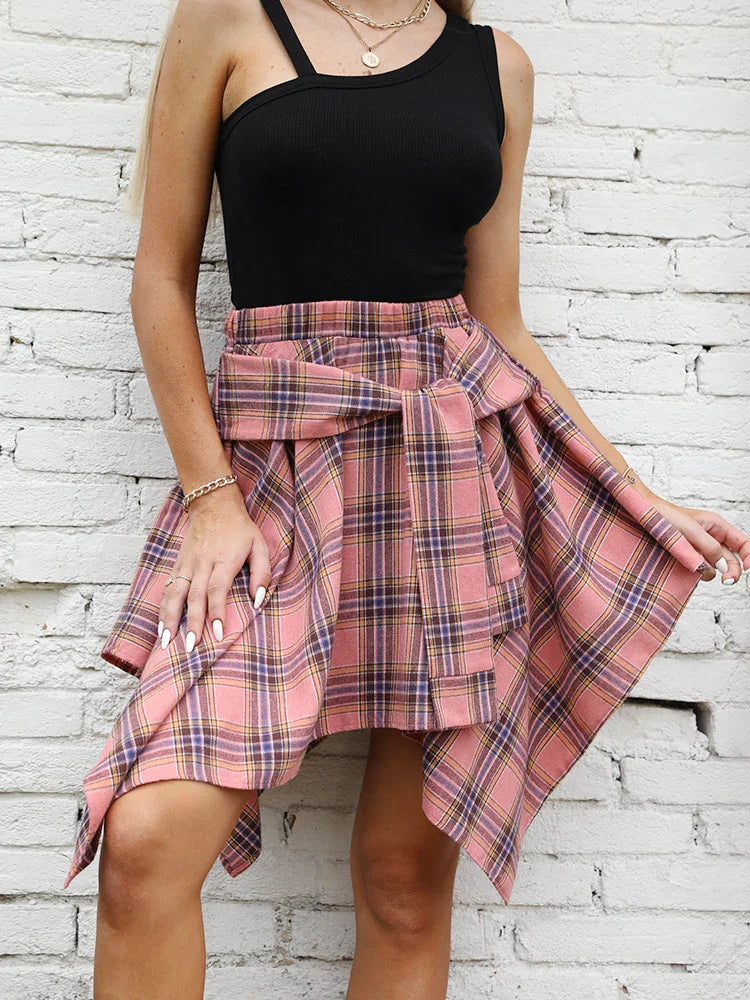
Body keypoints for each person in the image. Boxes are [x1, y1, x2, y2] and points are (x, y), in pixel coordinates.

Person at [61, 1, 749, 997]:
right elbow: (159, 281)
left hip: (449, 480)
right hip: (274, 478)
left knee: (402, 880)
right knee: (147, 842)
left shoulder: (496, 65)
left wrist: (637, 496)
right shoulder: (227, 20)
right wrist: (211, 495)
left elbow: (498, 319)